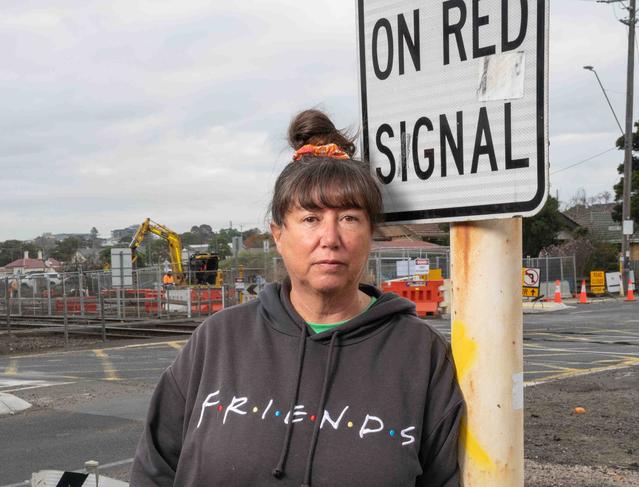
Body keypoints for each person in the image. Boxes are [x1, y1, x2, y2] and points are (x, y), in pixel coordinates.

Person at [130, 109, 464, 486]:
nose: (330, 238)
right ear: (278, 233)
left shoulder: (420, 354)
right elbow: (153, 471)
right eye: (310, 218)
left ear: (371, 233)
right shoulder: (217, 340)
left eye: (350, 218)